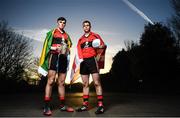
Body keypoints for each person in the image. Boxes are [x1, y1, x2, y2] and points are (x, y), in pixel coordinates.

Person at [38, 17, 74, 116]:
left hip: (63, 59)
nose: (62, 24)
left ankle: (62, 106)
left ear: (65, 24)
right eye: (60, 22)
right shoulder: (52, 32)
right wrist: (55, 47)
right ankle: (46, 106)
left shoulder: (67, 35)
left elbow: (69, 46)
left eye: (64, 23)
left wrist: (66, 50)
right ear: (57, 23)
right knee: (50, 81)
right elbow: (47, 46)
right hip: (53, 57)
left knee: (62, 82)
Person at [75, 20, 106, 114]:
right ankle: (85, 105)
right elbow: (78, 50)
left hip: (93, 60)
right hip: (83, 62)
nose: (86, 27)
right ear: (83, 27)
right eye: (84, 26)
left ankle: (101, 106)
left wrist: (101, 46)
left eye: (87, 25)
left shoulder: (95, 36)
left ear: (90, 26)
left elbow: (103, 45)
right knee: (85, 84)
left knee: (97, 83)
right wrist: (81, 59)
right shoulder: (80, 39)